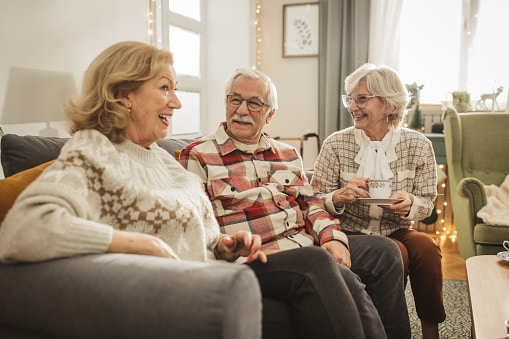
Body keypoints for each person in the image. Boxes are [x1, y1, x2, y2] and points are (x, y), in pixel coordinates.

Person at [0, 41, 387, 339]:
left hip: (217, 268)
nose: (176, 101)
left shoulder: (163, 161)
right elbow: (24, 229)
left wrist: (222, 244)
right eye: (165, 88)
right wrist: (135, 244)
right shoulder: (93, 150)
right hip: (182, 284)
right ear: (124, 94)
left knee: (337, 274)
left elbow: (204, 231)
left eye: (176, 88)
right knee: (316, 266)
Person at [179, 67, 411, 339]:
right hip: (257, 257)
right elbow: (196, 225)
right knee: (334, 271)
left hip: (304, 244)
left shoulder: (287, 155)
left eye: (254, 103)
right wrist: (224, 247)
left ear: (270, 114)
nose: (242, 109)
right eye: (235, 99)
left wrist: (331, 237)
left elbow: (311, 203)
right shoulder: (198, 155)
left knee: (385, 251)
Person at [310, 63, 445, 339]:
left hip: (397, 226)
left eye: (362, 98)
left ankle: (431, 331)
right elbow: (313, 199)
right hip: (350, 229)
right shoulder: (336, 144)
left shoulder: (419, 145)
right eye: (349, 98)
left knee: (428, 248)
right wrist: (338, 197)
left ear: (389, 104)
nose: (352, 106)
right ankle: (379, 328)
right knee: (396, 252)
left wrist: (410, 203)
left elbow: (428, 201)